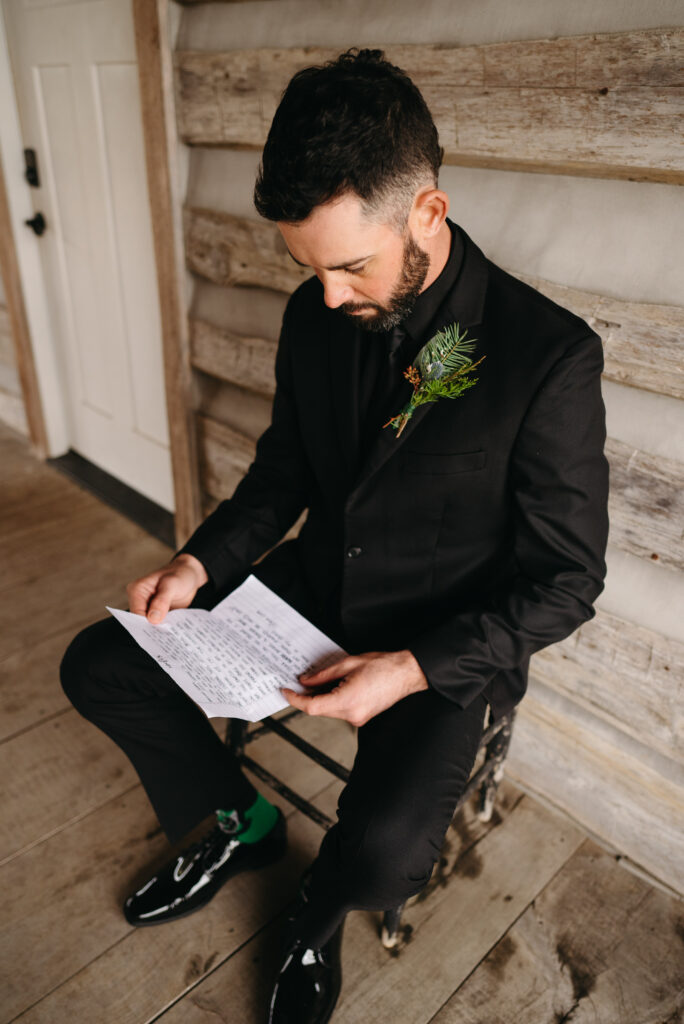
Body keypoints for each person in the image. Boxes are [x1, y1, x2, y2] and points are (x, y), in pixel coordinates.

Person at [60, 48, 609, 1023]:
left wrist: (406, 669)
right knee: (101, 662)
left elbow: (567, 580)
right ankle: (242, 821)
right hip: (310, 590)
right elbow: (283, 476)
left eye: (350, 265)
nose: (326, 298)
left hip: (440, 642)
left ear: (426, 214)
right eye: (307, 268)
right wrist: (196, 563)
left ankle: (311, 916)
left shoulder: (549, 357)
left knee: (391, 854)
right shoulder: (315, 314)